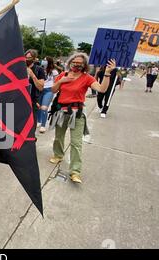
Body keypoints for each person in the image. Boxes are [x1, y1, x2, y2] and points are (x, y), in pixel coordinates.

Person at [49, 53, 116, 184]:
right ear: (70, 62)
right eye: (75, 62)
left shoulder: (87, 78)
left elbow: (102, 89)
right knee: (58, 137)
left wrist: (107, 73)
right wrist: (61, 81)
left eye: (80, 63)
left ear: (84, 65)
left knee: (76, 143)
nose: (77, 65)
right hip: (61, 112)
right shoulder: (63, 75)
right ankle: (58, 155)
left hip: (77, 114)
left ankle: (75, 171)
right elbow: (52, 90)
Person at [25, 49, 46, 129]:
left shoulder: (39, 69)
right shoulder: (20, 68)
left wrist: (32, 75)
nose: (27, 59)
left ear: (34, 58)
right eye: (26, 57)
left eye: (29, 58)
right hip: (19, 100)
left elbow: (40, 87)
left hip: (32, 101)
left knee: (31, 127)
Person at [37, 56, 58, 133]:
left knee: (44, 108)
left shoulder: (54, 71)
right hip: (40, 89)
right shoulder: (40, 69)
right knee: (38, 107)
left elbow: (56, 82)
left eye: (45, 60)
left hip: (49, 90)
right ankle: (38, 121)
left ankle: (43, 125)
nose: (43, 61)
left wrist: (54, 91)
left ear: (49, 61)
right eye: (43, 60)